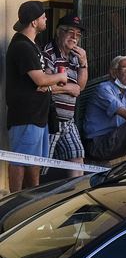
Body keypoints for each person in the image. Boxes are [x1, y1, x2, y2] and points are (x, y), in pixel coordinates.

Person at [5, 1, 68, 192]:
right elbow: (40, 79)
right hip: (26, 116)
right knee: (20, 161)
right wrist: (59, 77)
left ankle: (33, 198)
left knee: (35, 162)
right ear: (34, 22)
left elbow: (40, 80)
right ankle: (13, 201)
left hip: (38, 116)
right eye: (43, 16)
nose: (46, 19)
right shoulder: (22, 46)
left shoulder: (32, 45)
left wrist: (47, 81)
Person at [43, 13, 89, 178]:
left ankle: (75, 196)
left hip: (68, 121)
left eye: (78, 35)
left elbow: (81, 86)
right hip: (50, 119)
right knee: (42, 164)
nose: (74, 37)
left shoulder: (75, 56)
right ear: (59, 32)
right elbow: (45, 85)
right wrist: (69, 88)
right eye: (70, 32)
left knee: (77, 156)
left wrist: (84, 62)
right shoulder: (49, 53)